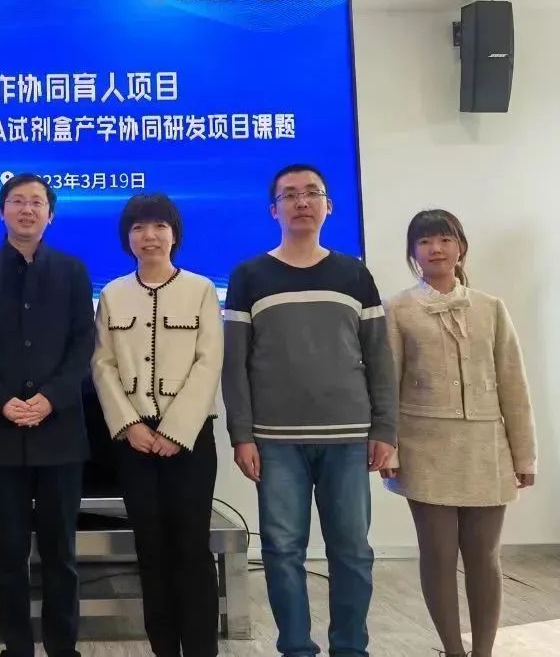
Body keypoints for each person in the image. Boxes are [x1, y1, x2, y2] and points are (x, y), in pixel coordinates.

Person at [221, 164, 397, 657]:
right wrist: (242, 434)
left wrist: (386, 427)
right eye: (290, 195)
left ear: (328, 206)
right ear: (273, 210)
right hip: (275, 440)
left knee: (352, 551)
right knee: (281, 551)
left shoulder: (354, 275)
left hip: (348, 436)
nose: (301, 202)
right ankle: (295, 648)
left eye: (312, 193)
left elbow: (379, 357)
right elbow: (235, 365)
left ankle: (350, 648)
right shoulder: (249, 276)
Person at [381, 209, 537, 657]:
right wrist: (390, 448)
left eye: (445, 239)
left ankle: (483, 651)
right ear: (413, 252)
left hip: (487, 450)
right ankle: (452, 649)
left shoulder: (491, 308)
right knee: (438, 555)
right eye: (425, 241)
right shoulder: (398, 309)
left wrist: (524, 455)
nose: (436, 249)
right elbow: (388, 384)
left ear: (460, 247)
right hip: (424, 449)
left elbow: (513, 384)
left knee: (485, 558)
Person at [0, 173, 96, 657]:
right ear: (2, 211)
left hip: (60, 434)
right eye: (17, 201)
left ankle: (63, 648)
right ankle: (16, 648)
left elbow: (83, 345)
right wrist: (0, 400)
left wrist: (52, 397)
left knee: (62, 554)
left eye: (37, 202)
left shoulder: (73, 271)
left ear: (50, 214)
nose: (27, 209)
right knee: (9, 555)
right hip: (0, 435)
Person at [91, 194, 223, 657]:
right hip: (134, 440)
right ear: (127, 238)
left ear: (174, 234)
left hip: (189, 439)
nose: (149, 236)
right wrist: (129, 425)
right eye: (139, 228)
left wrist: (175, 431)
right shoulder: (112, 293)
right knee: (150, 550)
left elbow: (209, 362)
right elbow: (102, 364)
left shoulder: (201, 289)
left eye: (159, 227)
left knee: (192, 548)